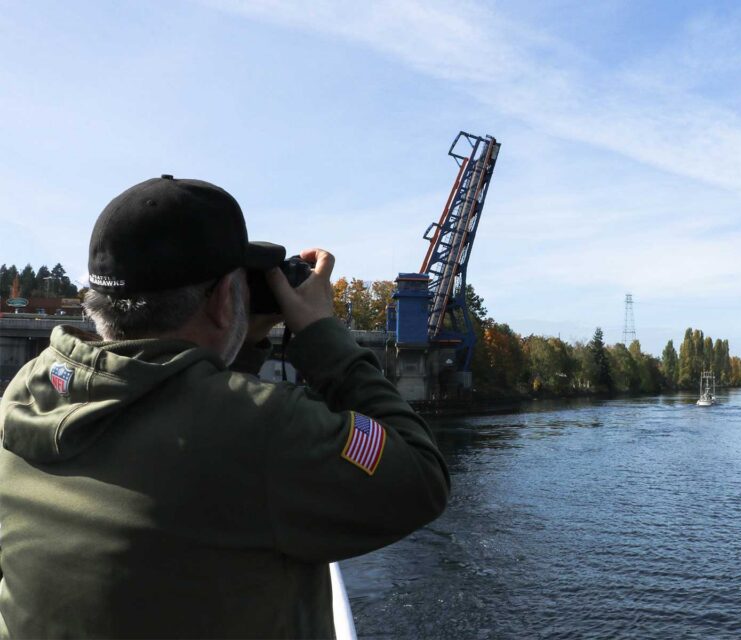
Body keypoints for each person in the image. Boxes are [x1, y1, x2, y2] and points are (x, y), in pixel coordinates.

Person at [0, 175, 450, 638]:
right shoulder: (264, 429)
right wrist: (321, 335)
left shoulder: (26, 392)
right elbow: (420, 476)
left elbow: (183, 398)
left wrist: (242, 339)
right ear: (220, 300)